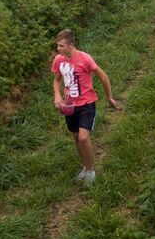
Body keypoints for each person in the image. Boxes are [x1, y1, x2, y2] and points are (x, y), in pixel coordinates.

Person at [50, 28, 120, 184]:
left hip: (87, 104)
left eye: (61, 46)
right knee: (76, 136)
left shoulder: (85, 59)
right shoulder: (59, 60)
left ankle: (90, 171)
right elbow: (56, 80)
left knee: (83, 137)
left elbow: (104, 77)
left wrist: (109, 98)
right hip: (70, 105)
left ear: (71, 45)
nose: (58, 49)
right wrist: (57, 95)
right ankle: (85, 167)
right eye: (58, 46)